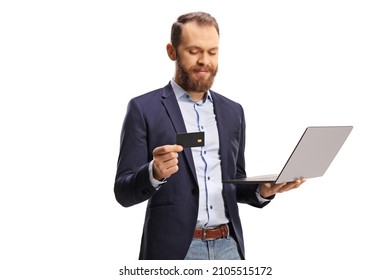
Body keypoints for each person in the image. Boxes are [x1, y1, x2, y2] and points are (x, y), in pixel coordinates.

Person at [114, 11, 305, 260]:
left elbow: (234, 182)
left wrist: (263, 191)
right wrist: (154, 173)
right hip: (175, 252)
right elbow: (122, 192)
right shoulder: (144, 109)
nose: (205, 60)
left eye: (212, 52)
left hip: (229, 247)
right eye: (194, 51)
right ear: (172, 52)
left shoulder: (233, 111)